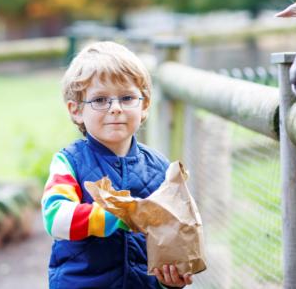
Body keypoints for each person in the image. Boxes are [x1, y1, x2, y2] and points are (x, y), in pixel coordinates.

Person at [41, 41, 193, 289]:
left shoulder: (160, 169)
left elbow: (171, 236)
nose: (115, 109)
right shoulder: (69, 162)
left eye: (127, 97)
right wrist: (117, 214)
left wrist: (171, 279)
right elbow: (55, 218)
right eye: (100, 100)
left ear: (144, 106)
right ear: (76, 110)